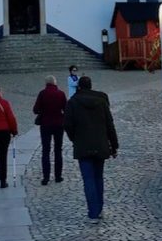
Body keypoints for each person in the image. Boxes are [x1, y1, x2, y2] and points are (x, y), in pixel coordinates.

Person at [63, 76, 118, 222]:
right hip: (100, 144)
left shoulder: (72, 102)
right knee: (98, 177)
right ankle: (99, 208)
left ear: (78, 87)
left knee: (88, 179)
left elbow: (67, 124)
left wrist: (74, 138)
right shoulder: (101, 101)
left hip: (83, 144)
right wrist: (114, 145)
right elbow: (110, 125)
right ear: (91, 85)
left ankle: (93, 212)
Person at [33, 75, 67, 185]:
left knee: (45, 151)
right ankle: (58, 176)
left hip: (45, 124)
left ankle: (46, 177)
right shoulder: (61, 94)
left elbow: (35, 109)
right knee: (58, 150)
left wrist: (43, 111)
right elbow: (66, 109)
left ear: (46, 83)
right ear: (55, 83)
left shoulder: (42, 94)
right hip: (58, 124)